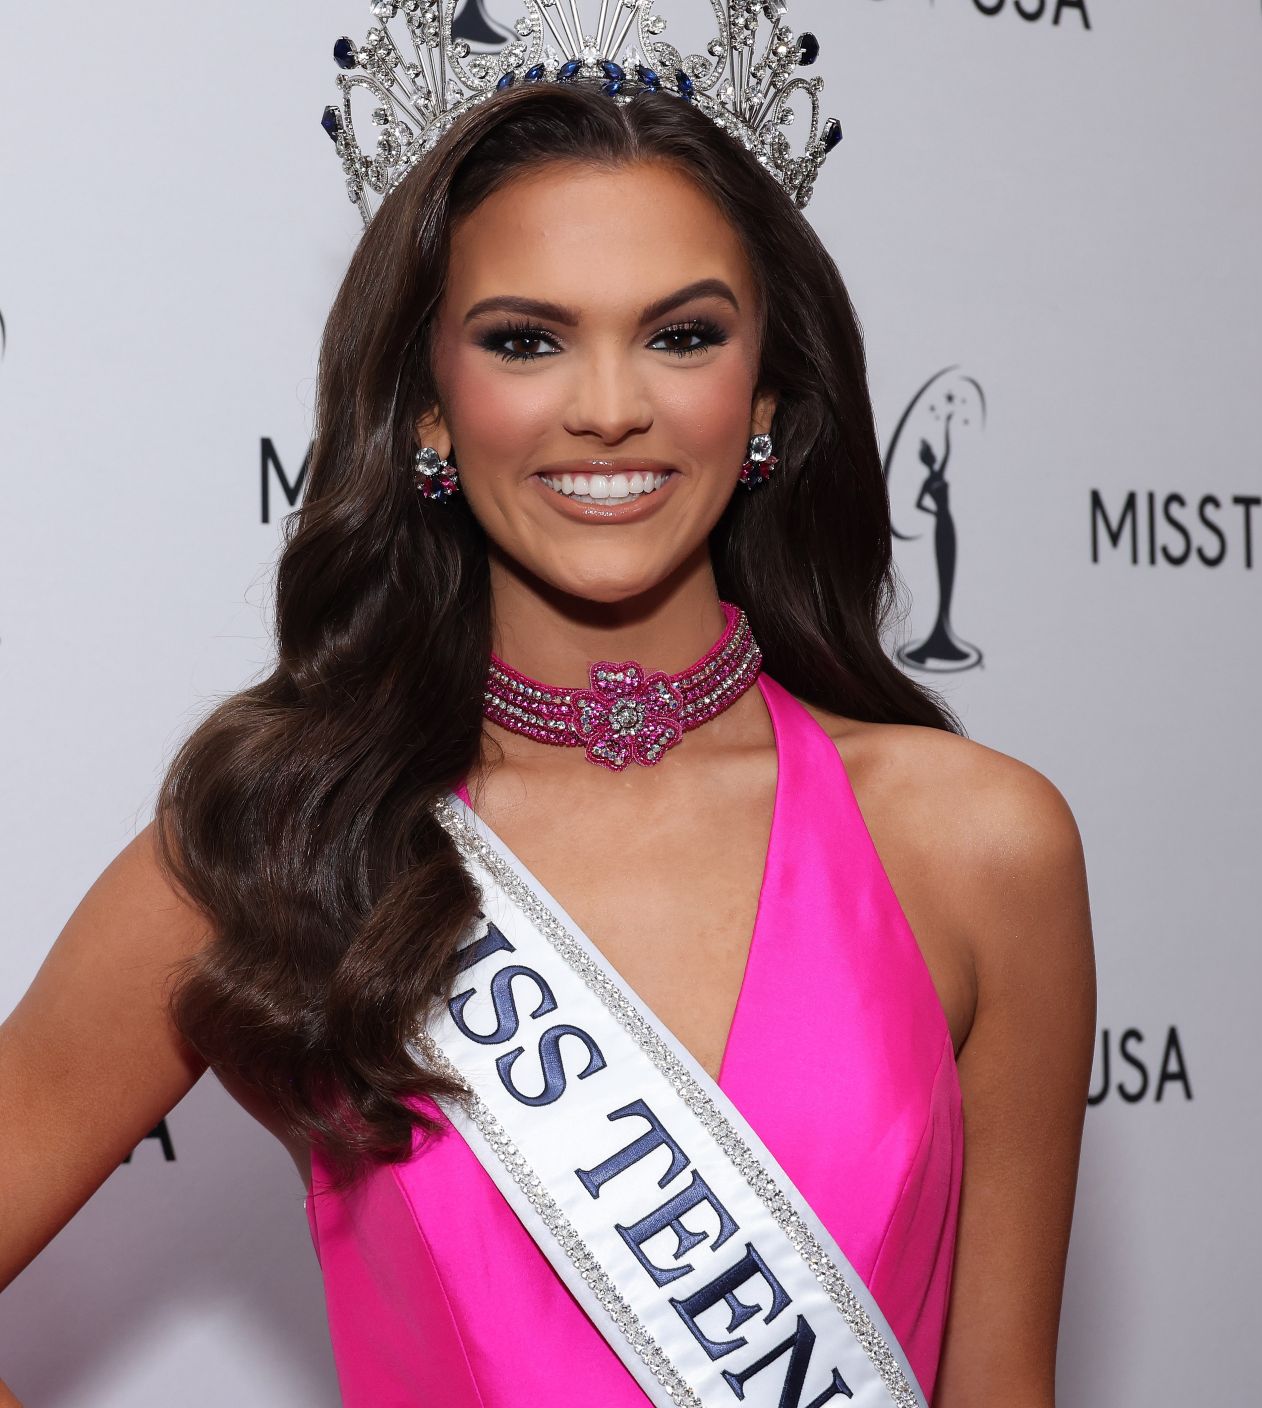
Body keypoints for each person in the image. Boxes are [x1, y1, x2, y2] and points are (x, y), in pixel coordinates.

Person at [0, 12, 1096, 1407]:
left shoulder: (982, 847)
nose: (609, 408)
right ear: (430, 411)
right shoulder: (297, 842)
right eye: (527, 341)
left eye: (681, 335)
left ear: (764, 394)